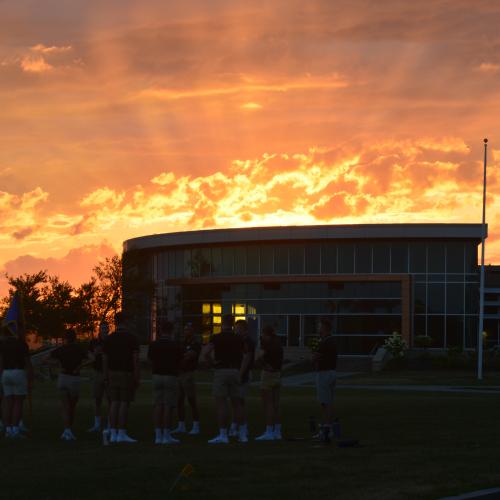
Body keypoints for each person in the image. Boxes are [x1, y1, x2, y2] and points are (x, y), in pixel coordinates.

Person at [204, 314, 245, 444]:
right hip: (235, 370)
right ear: (232, 324)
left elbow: (205, 353)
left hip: (221, 370)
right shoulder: (239, 338)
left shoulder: (216, 337)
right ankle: (241, 433)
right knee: (237, 404)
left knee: (221, 403)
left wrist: (212, 363)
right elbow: (245, 354)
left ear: (222, 323)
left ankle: (223, 434)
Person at [103, 312, 140, 443]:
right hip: (126, 373)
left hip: (112, 373)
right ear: (126, 321)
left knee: (114, 402)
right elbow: (135, 359)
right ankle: (122, 432)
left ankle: (113, 433)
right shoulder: (132, 338)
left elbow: (105, 359)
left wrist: (106, 376)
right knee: (124, 403)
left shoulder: (109, 338)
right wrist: (137, 376)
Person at [47, 329, 87, 441]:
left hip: (63, 378)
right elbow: (92, 358)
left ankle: (66, 430)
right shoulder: (79, 349)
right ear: (75, 338)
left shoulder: (60, 349)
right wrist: (80, 367)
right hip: (75, 379)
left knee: (65, 406)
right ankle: (69, 429)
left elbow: (45, 359)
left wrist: (58, 365)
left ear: (65, 338)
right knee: (72, 407)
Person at [148, 320, 183, 444]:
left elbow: (150, 360)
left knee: (158, 405)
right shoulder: (175, 345)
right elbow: (180, 361)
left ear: (161, 331)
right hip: (171, 376)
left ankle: (158, 435)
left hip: (157, 375)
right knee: (168, 406)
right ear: (171, 331)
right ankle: (166, 435)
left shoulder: (154, 345)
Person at [0, 326, 33, 439]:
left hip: (5, 373)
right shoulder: (21, 344)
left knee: (7, 402)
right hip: (18, 372)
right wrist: (30, 377)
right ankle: (15, 429)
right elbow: (27, 362)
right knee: (18, 403)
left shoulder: (2, 344)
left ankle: (8, 429)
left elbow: (1, 361)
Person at [172, 322, 201, 436]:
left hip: (189, 373)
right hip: (180, 373)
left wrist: (180, 357)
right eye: (185, 329)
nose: (186, 332)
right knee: (179, 400)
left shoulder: (195, 343)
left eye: (188, 329)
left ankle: (196, 425)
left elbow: (190, 356)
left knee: (191, 400)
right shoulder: (182, 342)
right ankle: (181, 425)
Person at [255, 325, 283, 441]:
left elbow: (258, 357)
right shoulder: (278, 343)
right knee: (276, 404)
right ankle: (277, 431)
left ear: (266, 334)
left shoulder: (267, 344)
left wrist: (264, 365)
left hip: (268, 374)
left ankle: (269, 431)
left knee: (268, 404)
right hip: (278, 374)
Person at [312, 318, 338, 443]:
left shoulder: (325, 342)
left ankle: (326, 429)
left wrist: (313, 357)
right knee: (329, 402)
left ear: (325, 328)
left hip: (324, 373)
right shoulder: (332, 341)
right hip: (332, 372)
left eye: (319, 327)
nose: (318, 329)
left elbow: (317, 357)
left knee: (325, 403)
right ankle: (330, 428)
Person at [229, 319, 255, 440]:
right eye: (236, 328)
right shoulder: (239, 341)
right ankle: (235, 426)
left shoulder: (246, 341)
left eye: (239, 329)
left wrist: (240, 374)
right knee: (235, 402)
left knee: (239, 402)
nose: (236, 331)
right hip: (239, 373)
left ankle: (242, 428)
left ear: (245, 329)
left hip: (242, 374)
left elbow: (247, 358)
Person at [87, 321, 110, 433]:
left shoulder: (111, 342)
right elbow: (89, 355)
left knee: (110, 399)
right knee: (97, 399)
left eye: (106, 328)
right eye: (102, 328)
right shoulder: (94, 342)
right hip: (97, 372)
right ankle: (97, 424)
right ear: (99, 330)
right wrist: (95, 354)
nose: (105, 330)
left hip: (109, 372)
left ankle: (110, 423)